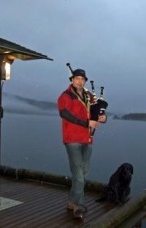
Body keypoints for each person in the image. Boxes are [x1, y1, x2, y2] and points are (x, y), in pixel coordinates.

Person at [57, 68, 106, 220]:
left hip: (88, 138)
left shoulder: (88, 96)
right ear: (72, 80)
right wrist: (86, 122)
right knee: (78, 174)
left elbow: (97, 110)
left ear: (85, 81)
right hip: (72, 139)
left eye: (82, 79)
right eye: (77, 78)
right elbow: (64, 114)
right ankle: (79, 206)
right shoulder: (65, 96)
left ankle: (72, 201)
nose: (80, 81)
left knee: (83, 173)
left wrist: (102, 117)